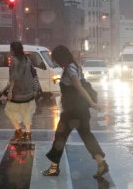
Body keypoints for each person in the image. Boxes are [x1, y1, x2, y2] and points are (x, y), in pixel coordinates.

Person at [42, 45, 109, 178]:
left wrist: (92, 103)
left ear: (61, 57)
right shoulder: (75, 66)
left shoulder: (70, 69)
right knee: (86, 136)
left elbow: (79, 88)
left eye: (56, 59)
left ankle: (54, 168)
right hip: (81, 111)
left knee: (60, 137)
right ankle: (101, 163)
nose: (56, 62)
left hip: (72, 112)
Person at [0, 41, 36, 143]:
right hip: (28, 93)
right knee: (26, 112)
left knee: (9, 110)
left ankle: (18, 131)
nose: (9, 51)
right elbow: (32, 74)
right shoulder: (27, 59)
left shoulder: (15, 61)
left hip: (18, 93)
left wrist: (9, 91)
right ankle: (28, 134)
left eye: (10, 49)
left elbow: (13, 78)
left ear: (13, 50)